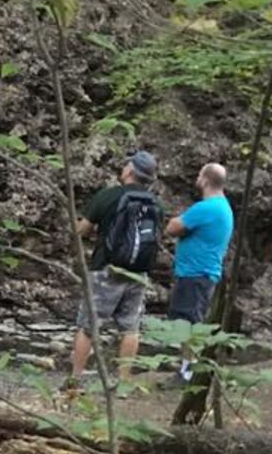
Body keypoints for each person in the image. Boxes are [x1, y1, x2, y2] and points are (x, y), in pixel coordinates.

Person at [71, 150, 165, 382]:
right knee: (131, 328)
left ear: (131, 171)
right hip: (139, 272)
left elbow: (81, 230)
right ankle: (123, 380)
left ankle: (75, 379)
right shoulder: (156, 203)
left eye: (126, 166)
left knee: (88, 326)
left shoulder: (109, 196)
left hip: (106, 268)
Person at [165, 162, 235, 382]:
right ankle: (187, 367)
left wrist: (175, 221)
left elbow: (173, 227)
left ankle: (188, 372)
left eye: (199, 175)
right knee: (191, 319)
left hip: (196, 274)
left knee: (190, 322)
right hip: (202, 273)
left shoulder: (207, 207)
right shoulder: (223, 207)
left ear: (205, 179)